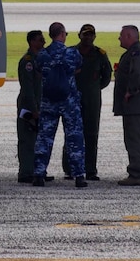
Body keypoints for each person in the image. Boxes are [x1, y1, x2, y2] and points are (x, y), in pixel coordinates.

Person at [32, 22, 88, 188]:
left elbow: (39, 70)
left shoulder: (43, 54)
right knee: (74, 138)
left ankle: (39, 174)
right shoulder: (72, 53)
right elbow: (78, 68)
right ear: (62, 34)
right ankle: (78, 175)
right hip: (69, 101)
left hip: (49, 102)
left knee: (44, 138)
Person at [62, 23, 113, 181]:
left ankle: (90, 169)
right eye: (85, 34)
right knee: (71, 134)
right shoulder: (70, 52)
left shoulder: (100, 54)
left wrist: (94, 89)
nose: (88, 37)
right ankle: (70, 169)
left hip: (92, 100)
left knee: (91, 134)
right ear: (79, 35)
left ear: (94, 36)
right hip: (72, 99)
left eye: (91, 35)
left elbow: (106, 75)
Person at [114, 24, 140, 186]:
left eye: (121, 35)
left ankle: (137, 173)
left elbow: (137, 72)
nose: (119, 38)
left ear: (129, 36)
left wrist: (130, 91)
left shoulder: (136, 53)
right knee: (139, 137)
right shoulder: (138, 52)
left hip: (136, 104)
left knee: (134, 138)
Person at [16, 30, 50, 183]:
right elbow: (28, 88)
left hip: (41, 104)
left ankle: (38, 170)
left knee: (39, 140)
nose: (43, 42)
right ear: (31, 42)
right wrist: (34, 109)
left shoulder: (42, 59)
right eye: (39, 39)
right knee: (27, 140)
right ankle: (26, 172)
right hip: (29, 106)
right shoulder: (28, 62)